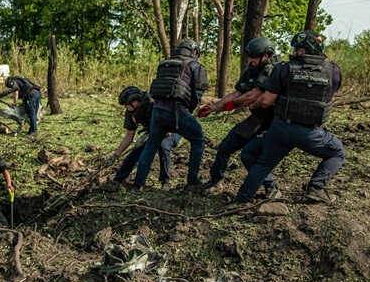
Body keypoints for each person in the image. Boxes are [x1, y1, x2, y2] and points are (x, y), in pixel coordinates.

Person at [231, 30, 345, 207]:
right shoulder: (333, 71)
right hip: (311, 133)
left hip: (281, 129)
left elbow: (266, 101)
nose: (293, 53)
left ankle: (242, 200)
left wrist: (252, 106)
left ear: (302, 51)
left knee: (263, 163)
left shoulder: (284, 68)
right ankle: (315, 188)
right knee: (337, 152)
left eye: (296, 49)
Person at [197, 37, 282, 198]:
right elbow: (237, 93)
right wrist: (213, 107)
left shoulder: (273, 70)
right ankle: (216, 181)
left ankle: (271, 186)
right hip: (257, 119)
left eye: (254, 57)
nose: (250, 60)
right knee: (225, 147)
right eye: (249, 57)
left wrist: (232, 104)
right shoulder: (250, 70)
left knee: (249, 156)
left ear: (266, 56)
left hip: (273, 122)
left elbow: (253, 96)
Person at [132, 39, 209, 189]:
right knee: (198, 140)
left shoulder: (164, 64)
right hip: (177, 113)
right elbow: (197, 95)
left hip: (157, 113)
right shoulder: (195, 66)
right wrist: (190, 111)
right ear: (194, 52)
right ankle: (192, 182)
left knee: (150, 146)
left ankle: (138, 184)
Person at [105, 86, 182, 191]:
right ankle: (119, 179)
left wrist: (147, 137)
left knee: (163, 146)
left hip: (171, 129)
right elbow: (129, 136)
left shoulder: (155, 104)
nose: (125, 108)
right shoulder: (131, 113)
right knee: (137, 151)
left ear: (135, 102)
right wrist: (115, 155)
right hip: (153, 132)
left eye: (126, 105)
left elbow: (166, 130)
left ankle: (165, 182)